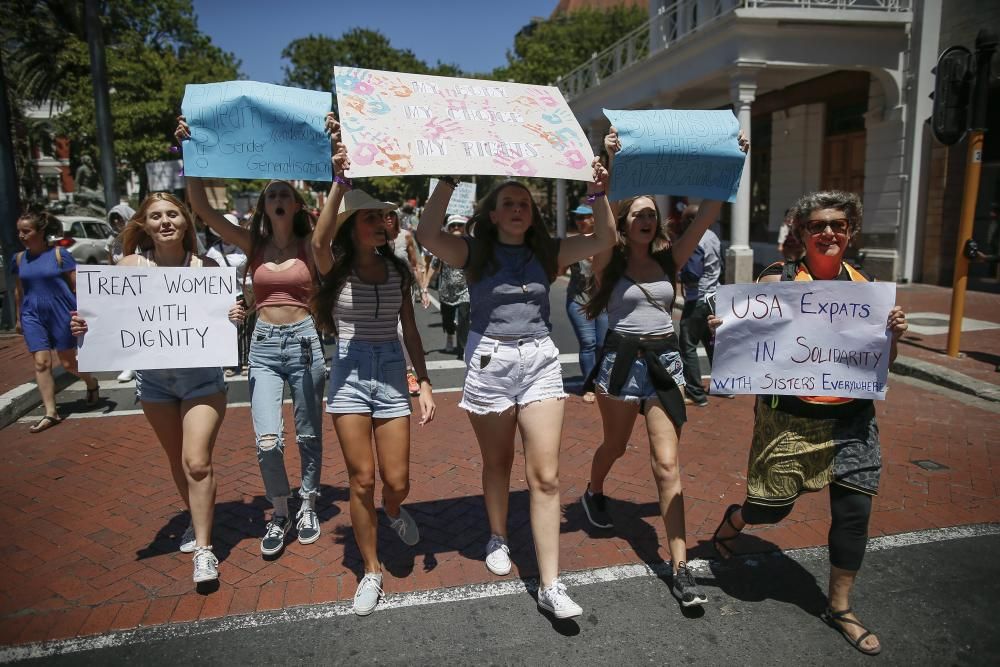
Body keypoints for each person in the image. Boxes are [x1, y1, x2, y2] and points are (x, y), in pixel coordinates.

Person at [709, 191, 908, 656]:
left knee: (855, 514)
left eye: (838, 225)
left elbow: (883, 361)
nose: (828, 233)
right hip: (790, 420)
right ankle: (737, 519)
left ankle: (840, 607)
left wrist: (892, 336)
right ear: (801, 233)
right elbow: (749, 347)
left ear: (851, 232)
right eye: (817, 226)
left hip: (851, 419)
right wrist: (728, 331)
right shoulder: (776, 280)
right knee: (771, 510)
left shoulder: (868, 289)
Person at [416, 161, 615, 620]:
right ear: (492, 213)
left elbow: (606, 239)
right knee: (499, 462)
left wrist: (599, 193)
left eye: (524, 203)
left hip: (541, 360)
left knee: (545, 476)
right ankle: (498, 535)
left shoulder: (548, 252)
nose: (518, 209)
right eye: (508, 203)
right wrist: (449, 179)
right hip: (490, 361)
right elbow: (427, 233)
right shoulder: (473, 251)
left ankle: (550, 584)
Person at [580, 127, 749, 608]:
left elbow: (710, 213)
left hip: (664, 363)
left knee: (668, 464)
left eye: (653, 213)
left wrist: (730, 165)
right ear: (625, 220)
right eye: (639, 213)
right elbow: (602, 215)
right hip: (620, 365)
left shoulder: (672, 258)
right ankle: (595, 491)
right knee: (613, 445)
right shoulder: (607, 260)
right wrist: (607, 163)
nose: (647, 218)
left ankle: (679, 567)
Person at [176, 117, 327, 558]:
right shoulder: (252, 244)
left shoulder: (312, 245)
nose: (278, 198)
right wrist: (192, 154)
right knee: (267, 441)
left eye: (285, 194)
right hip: (262, 345)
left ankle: (310, 501)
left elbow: (334, 216)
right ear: (265, 205)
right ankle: (280, 510)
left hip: (303, 341)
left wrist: (338, 168)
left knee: (309, 435)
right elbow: (202, 209)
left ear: (297, 205)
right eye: (272, 194)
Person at [70, 193, 235, 584]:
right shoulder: (127, 267)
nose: (165, 222)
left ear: (185, 222)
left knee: (197, 461)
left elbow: (225, 317)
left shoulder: (206, 268)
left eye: (173, 215)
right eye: (156, 216)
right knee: (178, 459)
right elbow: (107, 319)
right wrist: (84, 326)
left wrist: (234, 313)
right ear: (144, 224)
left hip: (201, 380)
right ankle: (196, 522)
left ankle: (205, 550)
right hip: (155, 382)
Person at [311, 118, 435, 615]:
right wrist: (339, 180)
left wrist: (424, 381)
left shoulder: (397, 270)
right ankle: (371, 570)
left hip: (389, 369)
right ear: (352, 225)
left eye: (385, 218)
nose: (381, 224)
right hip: (347, 370)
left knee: (397, 480)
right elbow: (318, 244)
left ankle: (396, 509)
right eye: (371, 218)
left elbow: (411, 330)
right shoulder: (333, 266)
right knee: (360, 479)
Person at [13, 209, 100, 433]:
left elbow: (75, 285)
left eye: (26, 231)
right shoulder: (20, 258)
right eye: (19, 232)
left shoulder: (60, 254)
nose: (21, 236)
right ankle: (51, 413)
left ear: (40, 231)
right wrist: (19, 317)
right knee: (41, 363)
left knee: (69, 363)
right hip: (33, 314)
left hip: (61, 311)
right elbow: (19, 291)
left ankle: (91, 383)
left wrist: (84, 313)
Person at [675, 202, 733, 406]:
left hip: (697, 298)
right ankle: (725, 386)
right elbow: (721, 266)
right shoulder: (713, 236)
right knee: (712, 343)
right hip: (713, 296)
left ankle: (695, 393)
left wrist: (678, 271)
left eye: (683, 220)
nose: (681, 224)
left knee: (687, 345)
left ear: (692, 221)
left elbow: (692, 273)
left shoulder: (694, 240)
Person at [561, 204, 609, 403]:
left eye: (585, 217)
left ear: (594, 219)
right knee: (588, 343)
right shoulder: (572, 243)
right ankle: (589, 386)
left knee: (602, 344)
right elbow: (559, 271)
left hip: (603, 301)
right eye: (578, 218)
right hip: (578, 301)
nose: (581, 221)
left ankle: (602, 380)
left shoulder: (606, 241)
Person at [385, 207, 424, 395]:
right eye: (384, 215)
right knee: (389, 331)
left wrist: (423, 289)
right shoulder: (376, 239)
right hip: (382, 292)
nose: (389, 218)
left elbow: (416, 264)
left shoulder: (406, 236)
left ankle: (409, 373)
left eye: (391, 214)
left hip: (405, 290)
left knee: (403, 330)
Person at [205, 214, 250, 376]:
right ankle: (229, 363)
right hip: (222, 296)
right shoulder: (212, 251)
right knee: (226, 329)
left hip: (242, 294)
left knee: (244, 328)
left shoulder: (243, 248)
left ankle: (244, 361)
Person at [421, 215, 471, 357]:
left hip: (465, 291)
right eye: (453, 225)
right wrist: (424, 288)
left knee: (463, 320)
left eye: (459, 225)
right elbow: (433, 266)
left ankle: (463, 349)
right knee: (448, 321)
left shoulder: (470, 246)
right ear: (448, 228)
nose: (456, 227)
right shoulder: (442, 247)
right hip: (446, 292)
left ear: (464, 228)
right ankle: (450, 335)